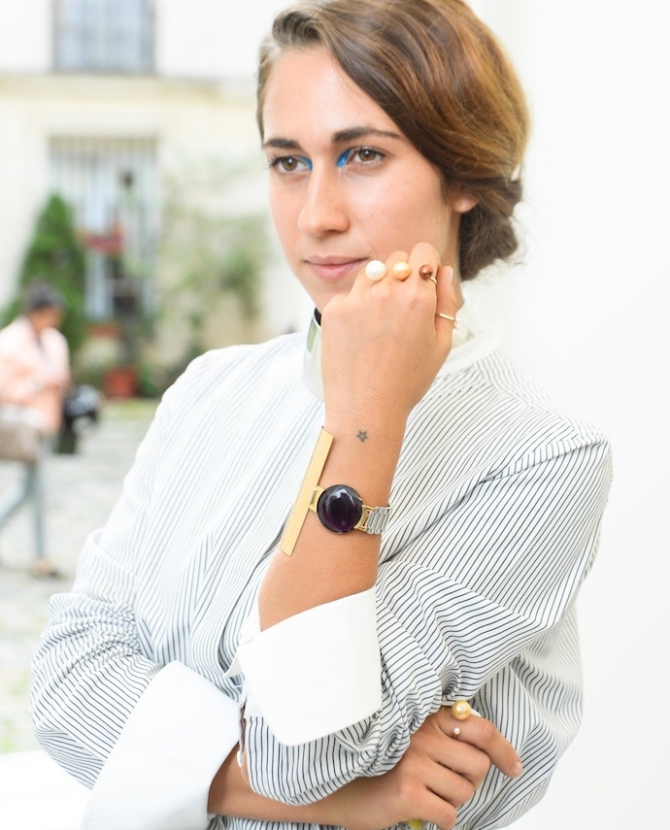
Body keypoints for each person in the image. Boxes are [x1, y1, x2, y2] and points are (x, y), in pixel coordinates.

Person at [30, 1, 612, 829]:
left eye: (363, 154)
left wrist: (366, 416)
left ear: (464, 175)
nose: (316, 215)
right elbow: (66, 687)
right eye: (289, 162)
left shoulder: (542, 460)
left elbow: (300, 750)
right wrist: (356, 795)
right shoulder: (210, 392)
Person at [0, 282, 70, 576]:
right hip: (22, 427)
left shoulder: (55, 341)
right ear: (35, 312)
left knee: (29, 489)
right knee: (37, 490)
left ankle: (40, 555)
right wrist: (39, 383)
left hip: (47, 426)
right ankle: (41, 557)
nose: (54, 320)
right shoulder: (9, 342)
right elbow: (4, 389)